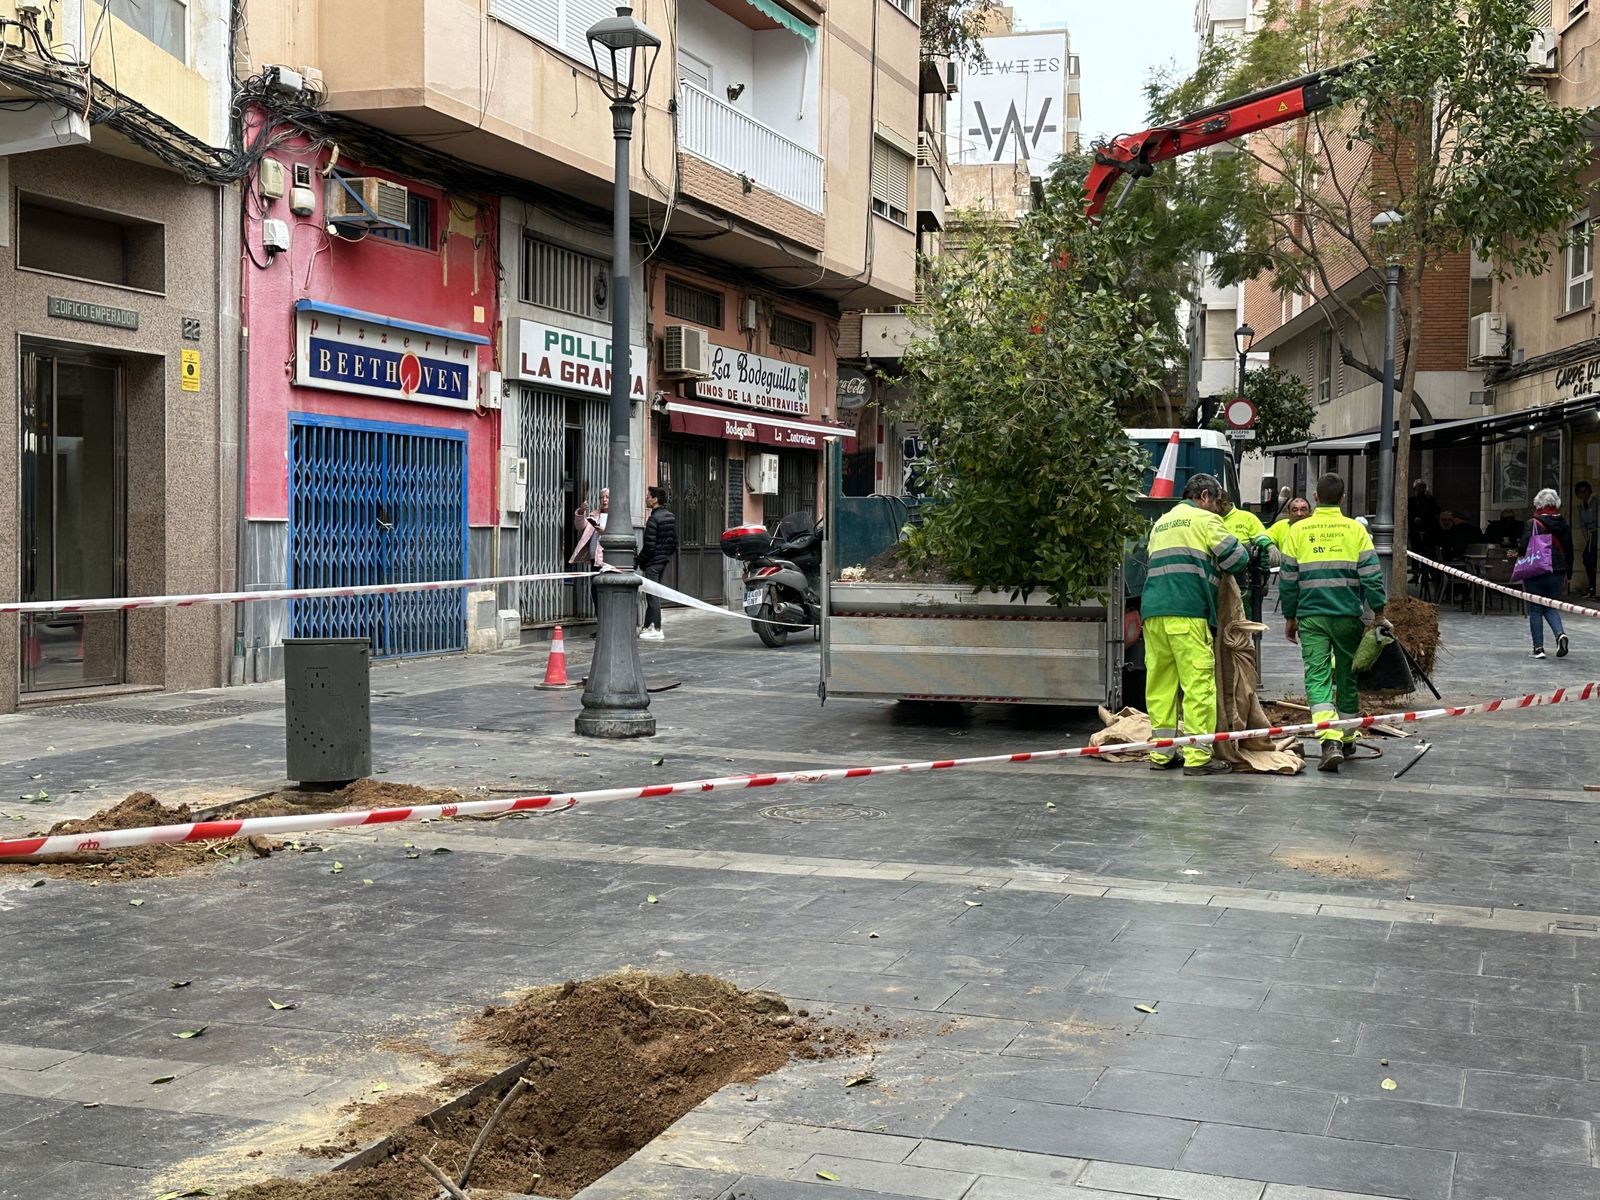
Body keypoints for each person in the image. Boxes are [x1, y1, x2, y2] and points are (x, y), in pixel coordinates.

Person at [1142, 473, 1251, 776]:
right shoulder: (1205, 520)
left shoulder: (1161, 523)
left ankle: (1162, 753)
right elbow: (1236, 558)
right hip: (1187, 613)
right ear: (1204, 496)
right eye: (1216, 502)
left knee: (1160, 685)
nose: (1217, 508)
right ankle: (1198, 757)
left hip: (1153, 613)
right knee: (1198, 684)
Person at [1280, 472, 1387, 774]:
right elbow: (1372, 575)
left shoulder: (1298, 531)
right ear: (1342, 499)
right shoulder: (1355, 530)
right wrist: (1378, 611)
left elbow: (1288, 580)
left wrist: (1290, 616)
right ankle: (1349, 736)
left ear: (1315, 498)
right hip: (1347, 616)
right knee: (1347, 675)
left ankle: (1329, 741)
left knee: (1317, 677)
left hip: (1311, 616)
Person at [1521, 488, 1573, 659]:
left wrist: (1514, 555)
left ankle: (1538, 648)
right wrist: (1569, 573)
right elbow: (1569, 549)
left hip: (1537, 569)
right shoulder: (1563, 523)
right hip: (1557, 570)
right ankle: (1560, 635)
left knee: (1535, 608)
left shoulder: (1533, 523)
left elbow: (1523, 548)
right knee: (1550, 605)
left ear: (1538, 504)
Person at [638, 485, 677, 642]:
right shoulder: (670, 516)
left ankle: (656, 628)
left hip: (653, 563)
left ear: (655, 500)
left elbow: (649, 545)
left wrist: (639, 560)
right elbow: (674, 541)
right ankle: (648, 626)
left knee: (652, 595)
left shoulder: (654, 519)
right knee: (653, 593)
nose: (646, 498)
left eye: (648, 496)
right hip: (662, 561)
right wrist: (665, 556)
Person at [570, 488, 608, 614]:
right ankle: (600, 624)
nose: (604, 500)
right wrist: (581, 511)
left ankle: (605, 625)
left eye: (607, 497)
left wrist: (605, 532)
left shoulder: (616, 517)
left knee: (603, 593)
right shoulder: (595, 514)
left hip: (606, 561)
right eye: (602, 497)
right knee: (595, 592)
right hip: (594, 561)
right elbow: (580, 526)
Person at [1575, 481, 1597, 596]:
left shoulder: (1595, 501)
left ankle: (1593, 586)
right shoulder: (1581, 506)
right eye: (1581, 492)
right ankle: (1592, 586)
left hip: (1596, 532)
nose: (1584, 494)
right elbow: (1582, 524)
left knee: (1589, 559)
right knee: (1587, 559)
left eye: (1585, 491)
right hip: (1590, 534)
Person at [1409, 479, 1441, 556]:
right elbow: (1408, 513)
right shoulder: (1411, 500)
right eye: (1419, 487)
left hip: (1428, 526)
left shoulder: (1430, 500)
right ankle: (1415, 566)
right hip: (1415, 528)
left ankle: (1426, 566)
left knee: (1428, 548)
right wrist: (1414, 518)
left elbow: (1437, 510)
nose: (1421, 489)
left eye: (1423, 487)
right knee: (1415, 548)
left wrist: (1430, 497)